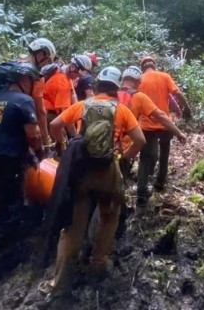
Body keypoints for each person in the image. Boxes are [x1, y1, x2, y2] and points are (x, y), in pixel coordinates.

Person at [44, 66, 145, 297]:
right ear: (117, 88)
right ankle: (98, 263)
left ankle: (60, 282)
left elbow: (54, 125)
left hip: (81, 171)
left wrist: (62, 146)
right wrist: (123, 158)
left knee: (73, 226)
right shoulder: (121, 109)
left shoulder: (82, 105)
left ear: (98, 85)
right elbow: (139, 140)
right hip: (108, 169)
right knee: (109, 216)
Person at [0, 62, 43, 266]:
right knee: (12, 212)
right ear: (23, 80)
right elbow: (33, 135)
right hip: (6, 164)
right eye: (32, 81)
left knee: (2, 207)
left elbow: (8, 131)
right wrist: (39, 152)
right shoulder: (24, 100)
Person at [119, 66, 186, 189]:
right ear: (138, 82)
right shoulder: (139, 96)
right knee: (151, 155)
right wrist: (178, 132)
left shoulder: (109, 94)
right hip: (123, 147)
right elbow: (162, 113)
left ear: (122, 79)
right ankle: (151, 187)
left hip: (102, 146)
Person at [137, 54, 191, 195]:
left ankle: (141, 191)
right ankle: (160, 182)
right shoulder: (164, 76)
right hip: (165, 124)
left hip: (146, 124)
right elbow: (177, 93)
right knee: (165, 151)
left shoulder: (139, 79)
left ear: (142, 68)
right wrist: (186, 108)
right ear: (154, 65)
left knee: (145, 157)